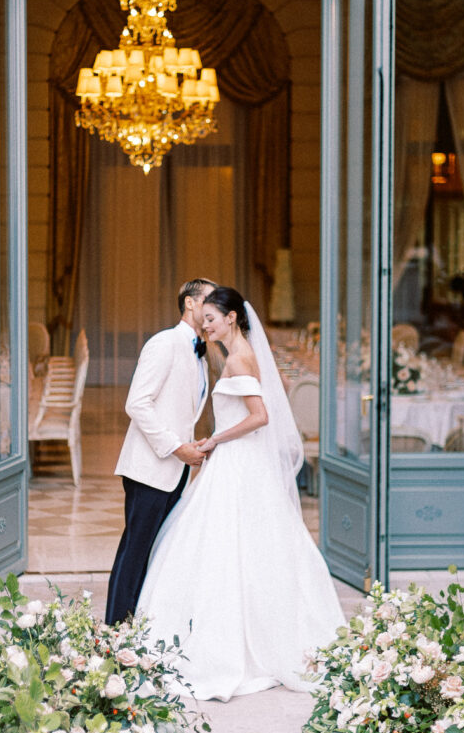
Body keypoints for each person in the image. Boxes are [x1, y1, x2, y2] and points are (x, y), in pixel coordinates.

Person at [137, 286, 345, 701]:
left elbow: (261, 416)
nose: (206, 325)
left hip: (237, 461)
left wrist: (215, 440)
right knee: (235, 546)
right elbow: (271, 395)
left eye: (211, 319)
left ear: (231, 318)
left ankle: (240, 643)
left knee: (227, 546)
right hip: (238, 461)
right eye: (204, 319)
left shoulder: (241, 357)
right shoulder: (238, 354)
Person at [104, 277, 216, 626]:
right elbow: (137, 404)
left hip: (177, 470)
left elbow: (181, 410)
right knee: (135, 551)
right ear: (190, 303)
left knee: (158, 551)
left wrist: (191, 445)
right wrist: (176, 447)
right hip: (150, 467)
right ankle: (115, 630)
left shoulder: (202, 353)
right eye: (210, 301)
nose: (215, 308)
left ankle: (142, 624)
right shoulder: (165, 343)